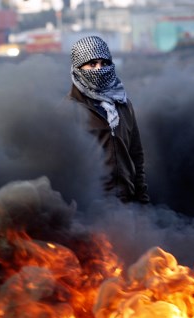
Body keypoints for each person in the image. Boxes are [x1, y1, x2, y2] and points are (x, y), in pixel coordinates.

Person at [68, 36, 149, 204]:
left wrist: (142, 198)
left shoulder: (123, 105)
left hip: (128, 204)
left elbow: (136, 155)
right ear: (78, 68)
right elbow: (64, 170)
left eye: (104, 63)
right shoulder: (70, 110)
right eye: (92, 64)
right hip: (95, 209)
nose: (99, 69)